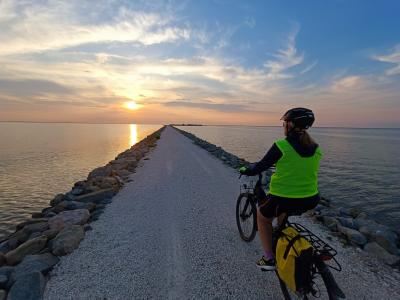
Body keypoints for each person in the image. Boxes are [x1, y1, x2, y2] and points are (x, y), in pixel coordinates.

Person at [239, 107, 322, 271]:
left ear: (290, 125)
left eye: (284, 122)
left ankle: (269, 259)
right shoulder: (316, 147)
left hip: (284, 198)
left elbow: (260, 166)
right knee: (282, 208)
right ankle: (280, 233)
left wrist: (246, 169)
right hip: (311, 198)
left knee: (263, 218)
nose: (283, 125)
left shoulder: (281, 146)